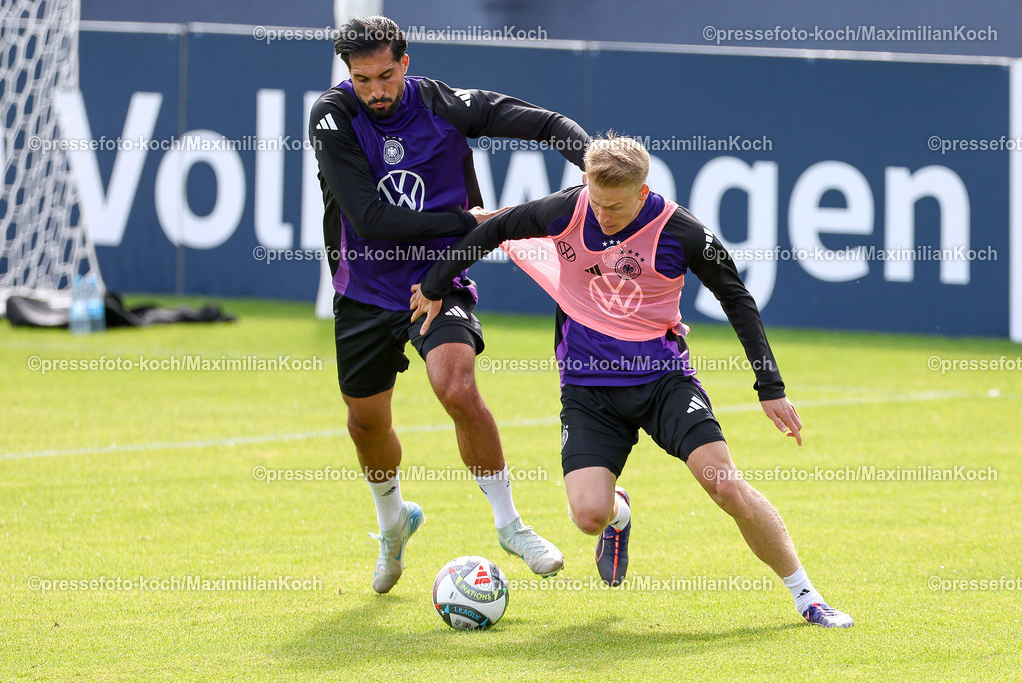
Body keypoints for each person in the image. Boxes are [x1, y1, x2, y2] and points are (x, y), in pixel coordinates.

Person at [411, 134, 854, 627]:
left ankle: (808, 597)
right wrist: (434, 285)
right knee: (588, 517)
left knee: (725, 485)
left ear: (643, 192)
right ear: (585, 182)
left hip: (663, 381)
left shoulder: (682, 232)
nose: (603, 215)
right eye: (596, 201)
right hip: (588, 389)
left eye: (616, 207)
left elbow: (737, 299)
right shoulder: (566, 209)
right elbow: (494, 229)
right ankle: (617, 513)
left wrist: (770, 387)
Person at [308, 15, 590, 594]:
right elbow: (370, 219)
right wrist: (471, 222)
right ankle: (394, 523)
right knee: (366, 423)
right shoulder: (332, 116)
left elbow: (545, 123)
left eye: (386, 76)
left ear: (405, 63)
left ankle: (510, 525)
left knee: (456, 386)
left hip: (438, 276)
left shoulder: (444, 105)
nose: (376, 92)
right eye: (363, 80)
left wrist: (595, 164)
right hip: (364, 290)